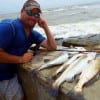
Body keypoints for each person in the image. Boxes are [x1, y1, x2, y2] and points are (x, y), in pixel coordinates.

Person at [0, 0, 57, 100]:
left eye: (37, 14)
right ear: (22, 11)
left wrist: (45, 27)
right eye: (30, 12)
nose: (33, 17)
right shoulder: (9, 26)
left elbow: (52, 47)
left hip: (10, 76)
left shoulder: (32, 34)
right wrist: (21, 59)